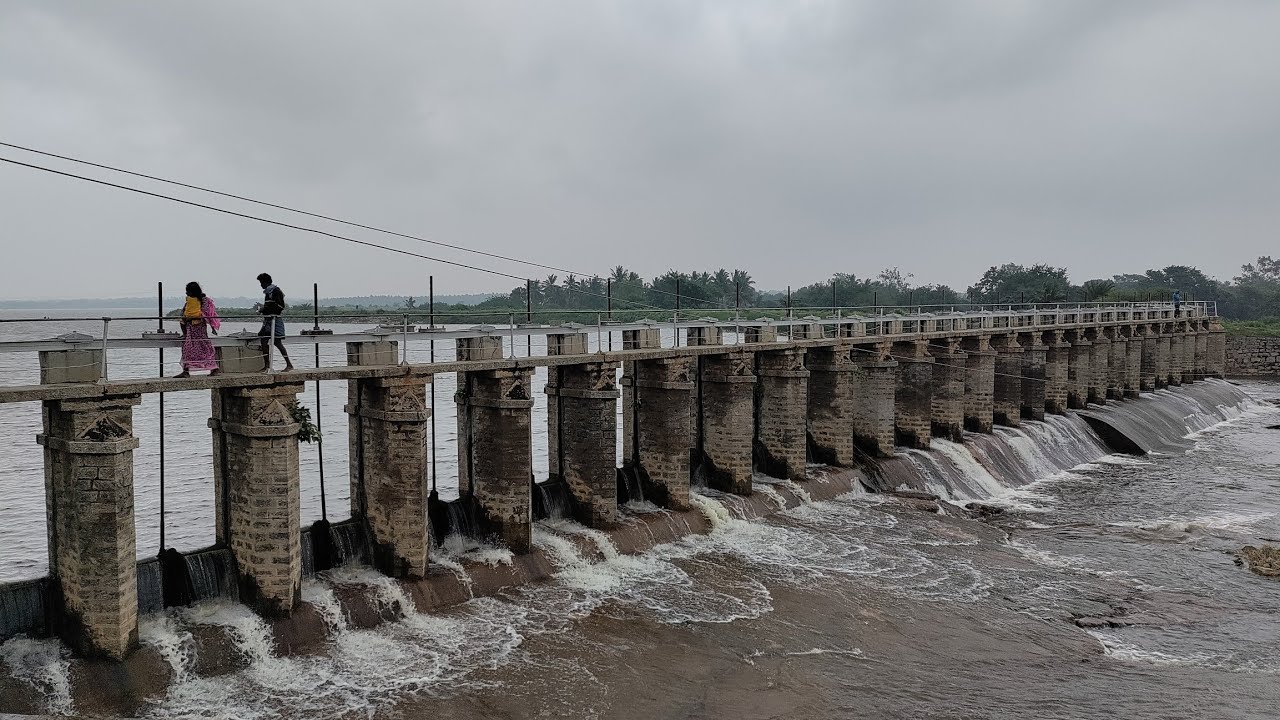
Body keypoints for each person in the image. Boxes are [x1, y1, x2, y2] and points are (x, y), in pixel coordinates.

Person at [175, 282, 221, 378]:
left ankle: (214, 368)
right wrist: (184, 320)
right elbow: (183, 313)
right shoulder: (188, 302)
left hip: (199, 329)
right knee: (187, 349)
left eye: (188, 291)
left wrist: (212, 327)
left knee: (205, 348)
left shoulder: (203, 301)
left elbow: (205, 314)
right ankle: (186, 370)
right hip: (189, 329)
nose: (187, 293)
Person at [255, 272, 294, 371]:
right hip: (267, 320)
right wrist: (264, 309)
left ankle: (289, 364)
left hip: (275, 320)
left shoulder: (275, 291)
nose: (260, 285)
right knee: (263, 341)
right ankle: (267, 365)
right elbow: (270, 306)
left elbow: (280, 306)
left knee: (277, 342)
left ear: (265, 282)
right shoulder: (268, 292)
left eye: (261, 282)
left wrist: (264, 309)